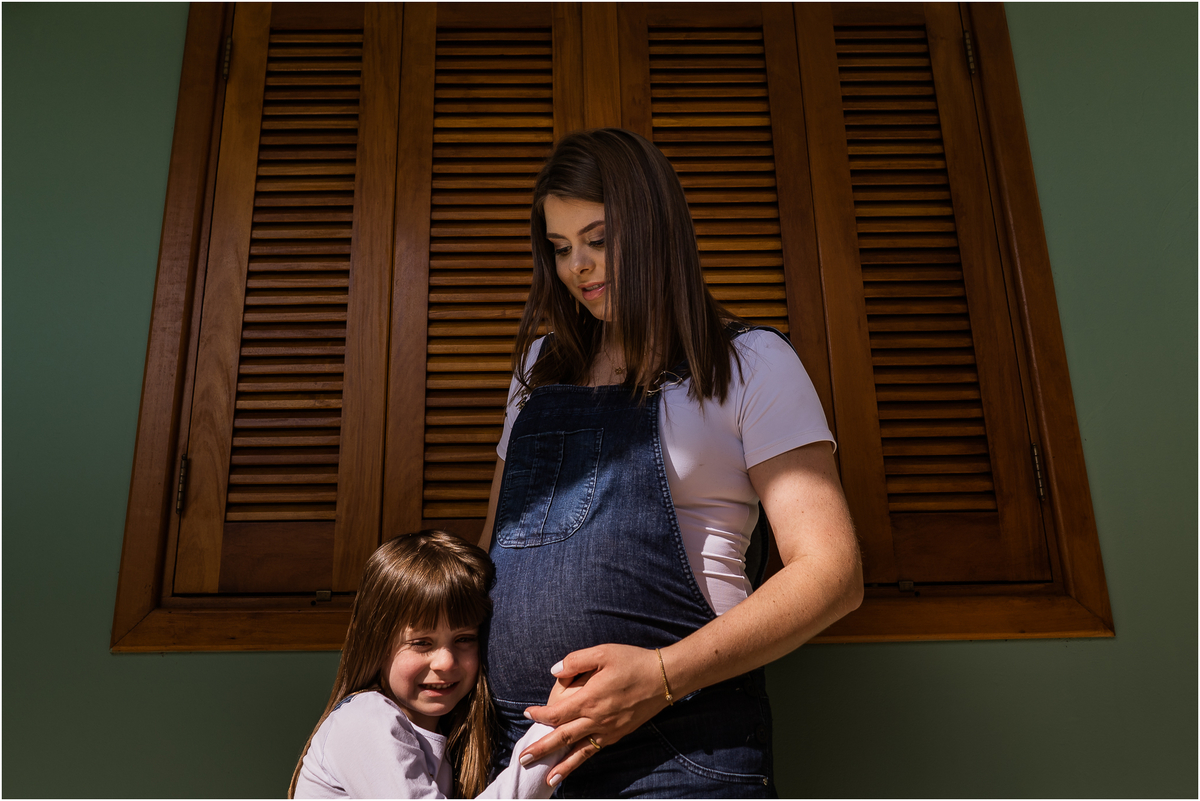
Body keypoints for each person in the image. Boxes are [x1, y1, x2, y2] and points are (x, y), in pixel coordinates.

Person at [479, 128, 864, 797]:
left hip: (683, 754)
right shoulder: (538, 368)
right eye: (562, 248)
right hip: (526, 756)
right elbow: (494, 549)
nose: (580, 268)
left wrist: (659, 676)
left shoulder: (750, 365)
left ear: (654, 228)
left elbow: (833, 572)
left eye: (599, 240)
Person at [290, 530, 565, 799]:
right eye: (421, 643)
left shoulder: (439, 741)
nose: (445, 662)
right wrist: (554, 726)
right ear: (376, 643)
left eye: (465, 638)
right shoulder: (364, 719)